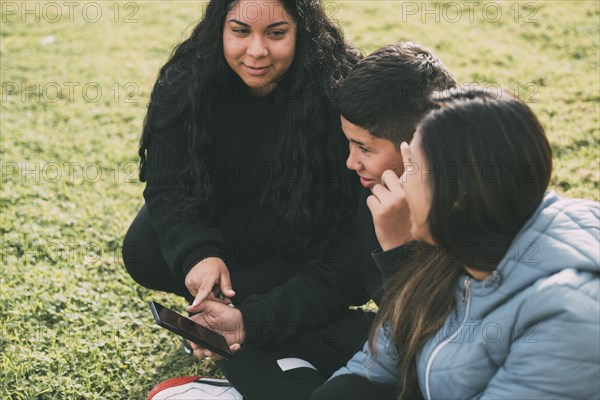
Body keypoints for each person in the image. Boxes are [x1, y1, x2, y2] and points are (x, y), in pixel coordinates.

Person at [147, 43, 456, 399]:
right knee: (244, 337)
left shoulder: (470, 205)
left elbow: (442, 346)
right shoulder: (377, 187)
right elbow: (338, 277)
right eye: (349, 145)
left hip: (434, 368)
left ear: (415, 146)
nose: (351, 162)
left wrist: (400, 249)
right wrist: (248, 323)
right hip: (389, 343)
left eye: (365, 149)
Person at [313, 88, 600, 399]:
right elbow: (378, 363)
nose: (400, 182)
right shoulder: (459, 251)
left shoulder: (564, 316)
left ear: (457, 197)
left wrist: (399, 254)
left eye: (411, 169)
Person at [123, 0, 361, 331]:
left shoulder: (339, 86)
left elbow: (349, 215)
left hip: (296, 237)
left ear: (303, 32)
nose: (256, 51)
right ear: (219, 28)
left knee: (277, 286)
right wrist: (199, 254)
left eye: (276, 33)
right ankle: (221, 303)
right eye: (240, 31)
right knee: (143, 249)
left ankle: (260, 313)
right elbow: (168, 185)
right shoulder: (185, 80)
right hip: (226, 221)